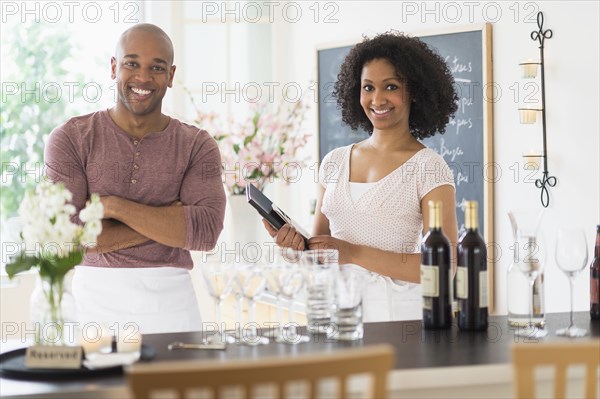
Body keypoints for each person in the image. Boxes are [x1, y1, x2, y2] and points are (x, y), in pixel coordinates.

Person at [264, 31, 459, 322]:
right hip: (337, 313)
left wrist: (352, 253)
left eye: (390, 86)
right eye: (368, 87)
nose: (377, 99)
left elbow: (444, 266)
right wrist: (295, 245)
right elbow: (322, 254)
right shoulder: (334, 162)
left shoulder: (429, 167)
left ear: (415, 91)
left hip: (395, 319)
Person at [44, 24, 226, 334]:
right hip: (93, 307)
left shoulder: (197, 144)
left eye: (156, 67)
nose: (143, 77)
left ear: (170, 75)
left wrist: (116, 207)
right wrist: (170, 218)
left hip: (173, 307)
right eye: (132, 63)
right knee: (100, 384)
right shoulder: (70, 138)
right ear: (114, 67)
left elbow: (206, 232)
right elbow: (69, 241)